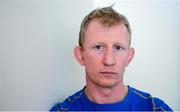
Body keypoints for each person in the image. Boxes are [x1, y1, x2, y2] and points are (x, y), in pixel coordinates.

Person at [50, 6, 172, 111]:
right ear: (80, 55)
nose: (109, 61)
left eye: (118, 48)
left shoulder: (156, 109)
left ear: (129, 56)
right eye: (98, 47)